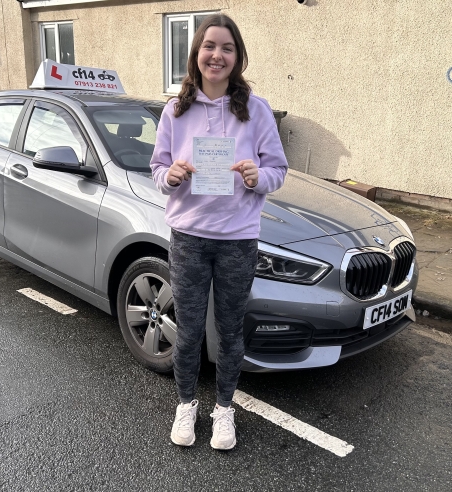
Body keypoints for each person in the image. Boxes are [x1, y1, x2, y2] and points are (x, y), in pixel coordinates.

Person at [150, 13, 288, 450]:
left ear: (237, 57)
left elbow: (278, 170)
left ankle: (224, 409)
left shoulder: (257, 109)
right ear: (196, 54)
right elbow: (156, 167)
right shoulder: (176, 109)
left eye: (227, 48)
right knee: (189, 331)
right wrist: (169, 176)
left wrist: (257, 177)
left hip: (237, 239)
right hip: (189, 237)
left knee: (230, 331)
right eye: (210, 46)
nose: (217, 55)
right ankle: (186, 405)